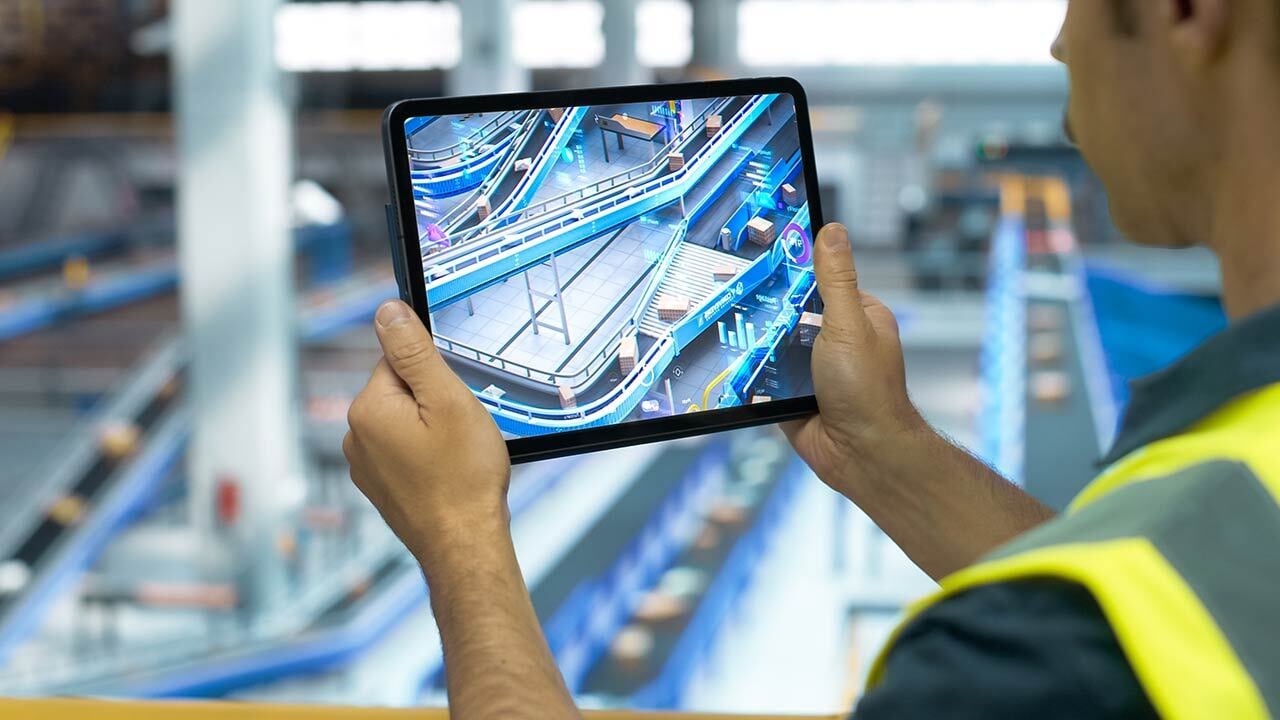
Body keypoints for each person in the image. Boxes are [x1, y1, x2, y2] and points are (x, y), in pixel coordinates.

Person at [343, 0, 1280, 716]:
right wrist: (886, 449)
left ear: (1186, 11)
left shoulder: (1008, 671)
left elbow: (1102, 626)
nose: (1060, 44)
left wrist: (460, 537)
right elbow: (1164, 589)